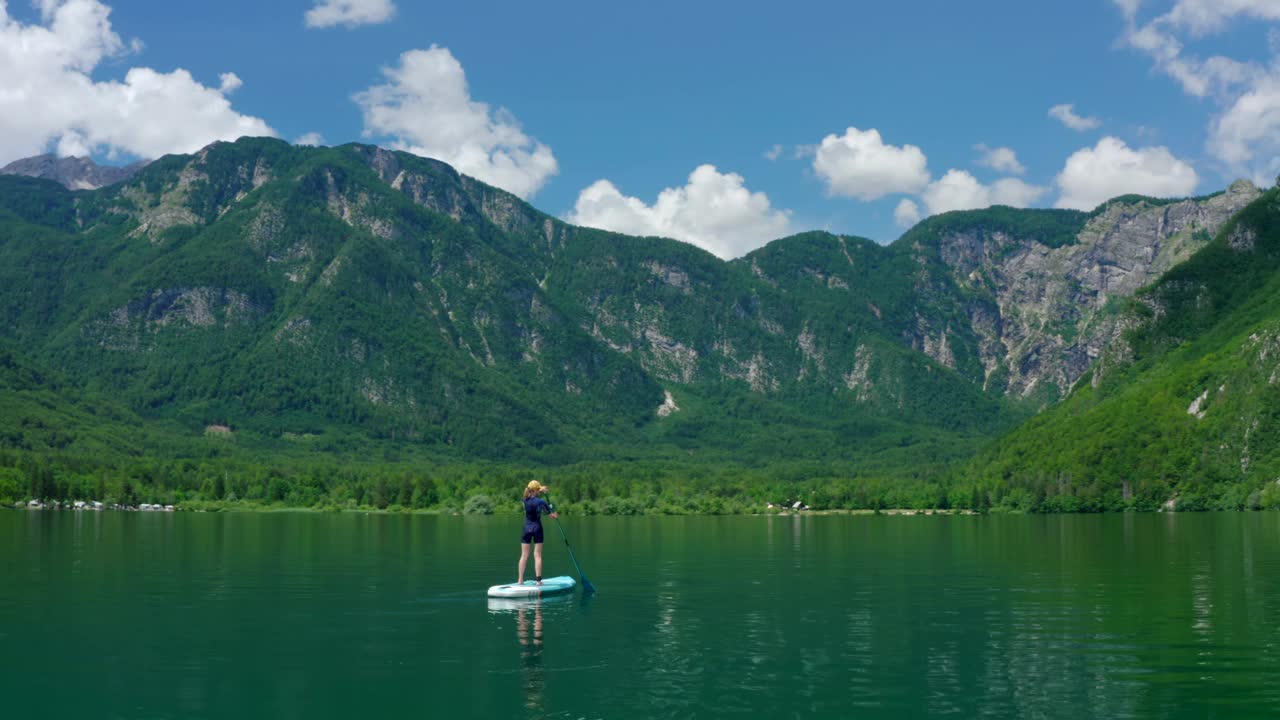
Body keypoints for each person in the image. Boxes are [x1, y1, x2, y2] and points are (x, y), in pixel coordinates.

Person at [518, 480, 557, 585]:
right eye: (538, 489)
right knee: (537, 555)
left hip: (526, 529)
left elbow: (533, 495)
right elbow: (552, 515)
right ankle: (538, 581)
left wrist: (541, 490)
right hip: (537, 528)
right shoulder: (541, 502)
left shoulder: (524, 500)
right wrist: (554, 510)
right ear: (536, 490)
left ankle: (520, 580)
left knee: (524, 555)